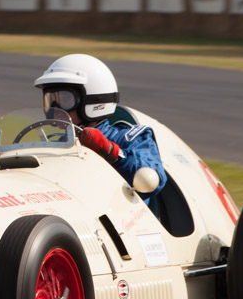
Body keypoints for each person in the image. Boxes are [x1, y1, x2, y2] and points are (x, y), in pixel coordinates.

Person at [34, 54, 166, 207]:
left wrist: (111, 152)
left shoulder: (129, 137)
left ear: (93, 101)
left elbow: (152, 181)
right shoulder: (55, 144)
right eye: (50, 100)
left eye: (65, 100)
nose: (55, 108)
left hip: (122, 219)